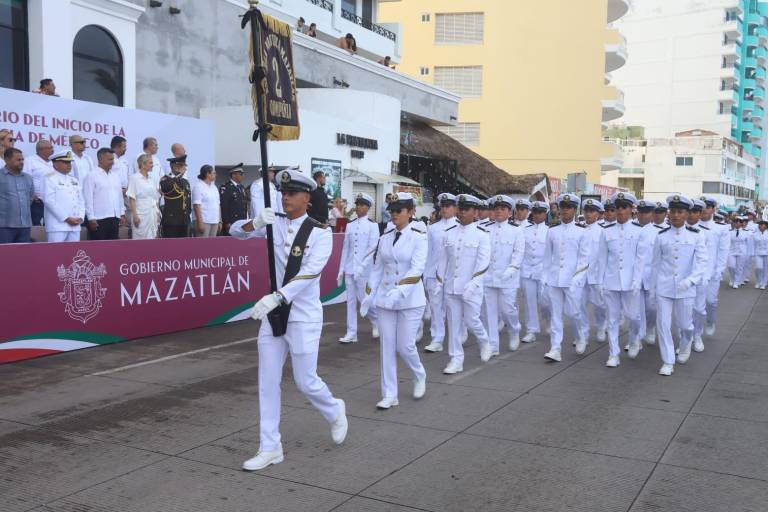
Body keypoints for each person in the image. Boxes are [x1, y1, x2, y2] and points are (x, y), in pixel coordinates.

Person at [229, 169, 348, 471]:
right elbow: (234, 232)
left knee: (305, 381)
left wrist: (277, 296)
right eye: (283, 192)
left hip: (303, 316)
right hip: (274, 316)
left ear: (307, 198)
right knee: (267, 382)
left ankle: (334, 409)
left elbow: (309, 274)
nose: (285, 197)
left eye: (292, 193)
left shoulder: (321, 234)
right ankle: (270, 447)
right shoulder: (274, 224)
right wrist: (254, 222)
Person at [360, 192, 428, 409]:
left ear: (411, 212)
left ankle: (419, 375)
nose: (394, 214)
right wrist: (369, 295)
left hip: (410, 299)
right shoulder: (384, 238)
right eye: (392, 210)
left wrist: (399, 291)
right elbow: (377, 269)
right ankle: (390, 394)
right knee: (386, 346)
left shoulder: (419, 236)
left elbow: (417, 269)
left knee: (405, 346)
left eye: (399, 210)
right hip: (385, 300)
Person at [433, 194, 492, 374]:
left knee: (472, 320)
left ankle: (484, 341)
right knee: (454, 324)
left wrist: (474, 284)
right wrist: (439, 282)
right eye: (460, 208)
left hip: (471, 287)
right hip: (451, 287)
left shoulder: (482, 234)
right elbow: (442, 261)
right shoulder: (449, 232)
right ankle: (455, 359)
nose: (462, 212)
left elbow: (484, 263)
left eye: (466, 209)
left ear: (475, 212)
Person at [650, 194, 708, 376]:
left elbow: (702, 263)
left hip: (686, 287)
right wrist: (653, 288)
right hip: (664, 286)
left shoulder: (696, 236)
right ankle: (668, 360)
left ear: (686, 214)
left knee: (685, 326)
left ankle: (685, 344)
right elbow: (655, 265)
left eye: (680, 212)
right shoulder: (660, 236)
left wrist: (691, 280)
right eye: (673, 211)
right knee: (663, 324)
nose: (675, 215)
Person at [597, 192, 649, 367]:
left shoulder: (639, 231)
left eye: (623, 207)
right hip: (611, 281)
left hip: (630, 282)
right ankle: (613, 354)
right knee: (612, 319)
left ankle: (635, 340)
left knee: (634, 317)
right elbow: (602, 258)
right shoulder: (606, 232)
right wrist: (600, 281)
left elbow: (640, 259)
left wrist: (637, 280)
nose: (620, 211)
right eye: (617, 207)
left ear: (631, 209)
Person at [541, 194, 590, 361]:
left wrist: (577, 279)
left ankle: (581, 336)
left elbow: (584, 260)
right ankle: (555, 348)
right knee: (556, 315)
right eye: (563, 207)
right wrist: (544, 279)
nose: (565, 210)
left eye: (568, 207)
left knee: (574, 313)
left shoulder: (582, 232)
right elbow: (547, 258)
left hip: (572, 280)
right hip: (555, 279)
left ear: (574, 210)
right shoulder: (552, 231)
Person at [483, 195, 525, 355]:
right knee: (490, 313)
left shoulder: (516, 230)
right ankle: (493, 345)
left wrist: (510, 270)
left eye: (503, 209)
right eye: (497, 208)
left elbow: (518, 254)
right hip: (488, 277)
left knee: (508, 310)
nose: (499, 211)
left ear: (509, 212)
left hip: (508, 278)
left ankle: (514, 329)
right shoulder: (485, 229)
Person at [337, 193, 380, 343]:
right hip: (350, 268)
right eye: (357, 204)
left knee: (364, 299)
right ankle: (351, 332)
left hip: (364, 270)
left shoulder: (373, 225)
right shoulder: (350, 224)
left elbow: (372, 248)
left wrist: (362, 267)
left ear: (368, 207)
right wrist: (340, 270)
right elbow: (345, 249)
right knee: (350, 301)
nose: (359, 207)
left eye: (362, 205)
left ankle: (376, 321)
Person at [424, 193, 458, 353]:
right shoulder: (432, 228)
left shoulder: (460, 227)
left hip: (452, 275)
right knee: (436, 307)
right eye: (442, 206)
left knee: (453, 309)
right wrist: (425, 274)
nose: (444, 209)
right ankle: (437, 338)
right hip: (434, 273)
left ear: (455, 207)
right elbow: (428, 253)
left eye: (448, 206)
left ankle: (457, 335)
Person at [698, 196, 730, 335]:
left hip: (711, 272)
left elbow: (723, 252)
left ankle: (710, 321)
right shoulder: (690, 226)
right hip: (694, 273)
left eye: (708, 207)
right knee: (694, 307)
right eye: (702, 207)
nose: (704, 210)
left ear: (713, 210)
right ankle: (695, 334)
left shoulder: (720, 229)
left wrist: (719, 271)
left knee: (710, 301)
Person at [520, 201, 550, 342]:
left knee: (545, 302)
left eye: (540, 212)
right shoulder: (524, 231)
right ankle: (531, 329)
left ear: (545, 213)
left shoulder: (550, 231)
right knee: (529, 301)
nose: (537, 215)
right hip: (527, 270)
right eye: (535, 212)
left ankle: (549, 320)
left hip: (543, 271)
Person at [82, 148, 125, 241]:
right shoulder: (91, 176)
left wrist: (122, 213)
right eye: (110, 159)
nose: (112, 162)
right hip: (98, 219)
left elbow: (119, 197)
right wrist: (91, 218)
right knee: (98, 250)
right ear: (100, 159)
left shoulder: (115, 176)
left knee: (113, 248)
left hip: (114, 218)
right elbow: (87, 199)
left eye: (113, 159)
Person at [580, 198, 607, 342]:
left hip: (596, 274)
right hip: (581, 274)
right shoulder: (579, 229)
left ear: (598, 214)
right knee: (579, 305)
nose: (588, 214)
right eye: (586, 211)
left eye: (592, 211)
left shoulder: (603, 231)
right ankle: (583, 332)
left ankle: (601, 325)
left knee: (600, 305)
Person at [42, 150, 84, 242]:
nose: (69, 165)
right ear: (55, 164)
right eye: (65, 162)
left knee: (74, 254)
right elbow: (49, 201)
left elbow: (81, 200)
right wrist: (66, 218)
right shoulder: (49, 178)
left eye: (69, 162)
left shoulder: (74, 180)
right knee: (55, 254)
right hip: (58, 226)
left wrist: (80, 217)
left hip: (75, 225)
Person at [0, 148, 34, 243]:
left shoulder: (28, 178)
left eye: (22, 159)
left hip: (25, 226)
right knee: (4, 256)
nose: (22, 162)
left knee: (23, 256)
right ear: (7, 159)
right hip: (4, 227)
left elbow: (30, 199)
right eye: (18, 160)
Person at [127, 154, 161, 240]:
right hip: (140, 213)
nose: (152, 165)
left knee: (153, 238)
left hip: (152, 213)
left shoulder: (151, 179)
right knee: (140, 240)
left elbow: (155, 198)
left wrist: (157, 214)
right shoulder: (134, 178)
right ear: (143, 164)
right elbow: (132, 198)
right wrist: (135, 215)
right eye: (150, 163)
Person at [160, 155, 192, 238]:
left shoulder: (185, 181)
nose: (184, 168)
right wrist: (178, 175)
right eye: (181, 166)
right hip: (171, 220)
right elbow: (166, 187)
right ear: (174, 166)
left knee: (184, 248)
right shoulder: (166, 179)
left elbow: (187, 200)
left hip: (184, 220)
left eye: (184, 166)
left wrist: (188, 215)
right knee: (170, 248)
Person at [23, 140, 53, 226]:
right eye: (50, 148)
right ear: (41, 150)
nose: (52, 150)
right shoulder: (30, 161)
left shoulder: (53, 162)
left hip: (51, 200)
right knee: (36, 225)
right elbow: (25, 178)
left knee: (49, 225)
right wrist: (31, 194)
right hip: (37, 201)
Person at [219, 163, 249, 235]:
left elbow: (244, 205)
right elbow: (224, 206)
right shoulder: (226, 187)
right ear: (234, 175)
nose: (243, 176)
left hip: (242, 220)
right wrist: (227, 222)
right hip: (232, 221)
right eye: (241, 174)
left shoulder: (241, 187)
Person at [192, 165, 221, 237]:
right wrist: (200, 222)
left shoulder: (214, 187)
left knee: (212, 246)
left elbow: (218, 205)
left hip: (215, 221)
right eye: (214, 173)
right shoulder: (198, 186)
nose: (216, 175)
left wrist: (220, 220)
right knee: (202, 246)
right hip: (204, 221)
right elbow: (196, 205)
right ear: (207, 174)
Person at [755, 220, 768, 289]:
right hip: (758, 253)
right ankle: (758, 281)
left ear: (765, 226)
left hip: (767, 253)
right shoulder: (755, 233)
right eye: (759, 224)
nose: (759, 226)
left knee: (766, 269)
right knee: (758, 267)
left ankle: (764, 283)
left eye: (761, 224)